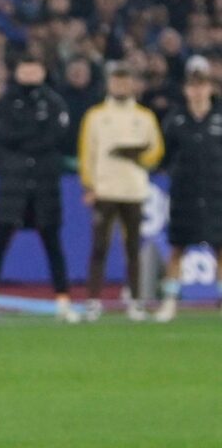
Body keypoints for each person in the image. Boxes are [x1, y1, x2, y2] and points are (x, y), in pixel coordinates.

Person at [0, 55, 78, 323]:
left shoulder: (54, 102)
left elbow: (57, 136)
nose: (29, 74)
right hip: (12, 183)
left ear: (42, 71)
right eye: (25, 68)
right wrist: (33, 135)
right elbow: (3, 135)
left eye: (34, 68)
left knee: (53, 243)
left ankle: (63, 302)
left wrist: (25, 138)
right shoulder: (6, 103)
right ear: (17, 72)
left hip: (44, 182)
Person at [77, 61, 164, 322]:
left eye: (125, 81)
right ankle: (93, 301)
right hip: (105, 190)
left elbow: (156, 151)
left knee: (133, 247)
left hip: (134, 190)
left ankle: (135, 301)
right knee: (99, 247)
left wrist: (137, 156)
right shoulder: (95, 115)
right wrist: (89, 186)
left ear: (133, 85)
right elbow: (86, 153)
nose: (121, 86)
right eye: (116, 81)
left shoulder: (144, 117)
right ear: (109, 84)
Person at [155, 68, 222, 322]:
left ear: (210, 88)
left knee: (221, 250)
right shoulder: (175, 119)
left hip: (217, 192)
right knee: (177, 248)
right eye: (192, 87)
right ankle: (170, 302)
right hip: (185, 193)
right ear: (185, 90)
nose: (197, 91)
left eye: (202, 86)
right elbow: (165, 155)